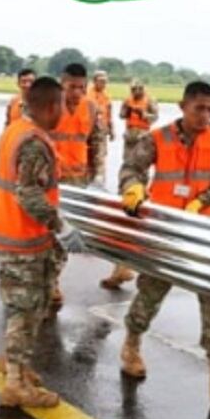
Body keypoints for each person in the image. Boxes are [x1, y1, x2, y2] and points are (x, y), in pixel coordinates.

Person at [117, 81, 210, 405]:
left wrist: (201, 202)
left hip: (206, 231)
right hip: (166, 230)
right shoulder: (158, 138)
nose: (205, 115)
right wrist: (132, 188)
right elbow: (131, 167)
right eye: (199, 108)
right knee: (151, 291)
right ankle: (131, 346)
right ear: (182, 106)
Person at [0, 76, 79, 408]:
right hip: (23, 240)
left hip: (9, 232)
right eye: (62, 108)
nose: (63, 115)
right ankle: (15, 383)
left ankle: (17, 365)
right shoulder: (34, 142)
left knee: (24, 308)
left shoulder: (14, 130)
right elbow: (28, 193)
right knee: (26, 311)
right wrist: (61, 225)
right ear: (52, 105)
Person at [46, 62, 104, 314]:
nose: (77, 92)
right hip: (49, 180)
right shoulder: (49, 107)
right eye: (72, 87)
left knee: (63, 236)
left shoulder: (91, 108)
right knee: (45, 234)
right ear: (62, 84)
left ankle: (52, 282)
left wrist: (97, 175)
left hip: (77, 182)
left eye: (82, 87)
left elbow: (96, 142)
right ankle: (46, 284)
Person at [103, 78, 159, 290]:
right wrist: (127, 110)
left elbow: (154, 117)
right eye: (133, 89)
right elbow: (121, 115)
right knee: (129, 173)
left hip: (142, 140)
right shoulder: (128, 100)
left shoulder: (149, 101)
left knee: (131, 207)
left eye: (138, 89)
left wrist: (144, 115)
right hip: (130, 140)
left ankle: (124, 267)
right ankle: (121, 268)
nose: (136, 92)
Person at [88, 70, 115, 188]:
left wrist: (111, 129)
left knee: (100, 159)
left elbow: (109, 113)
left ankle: (100, 184)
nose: (103, 83)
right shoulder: (88, 94)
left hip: (101, 132)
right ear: (94, 81)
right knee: (89, 159)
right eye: (101, 81)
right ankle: (88, 182)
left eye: (105, 81)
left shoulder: (106, 96)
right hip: (89, 131)